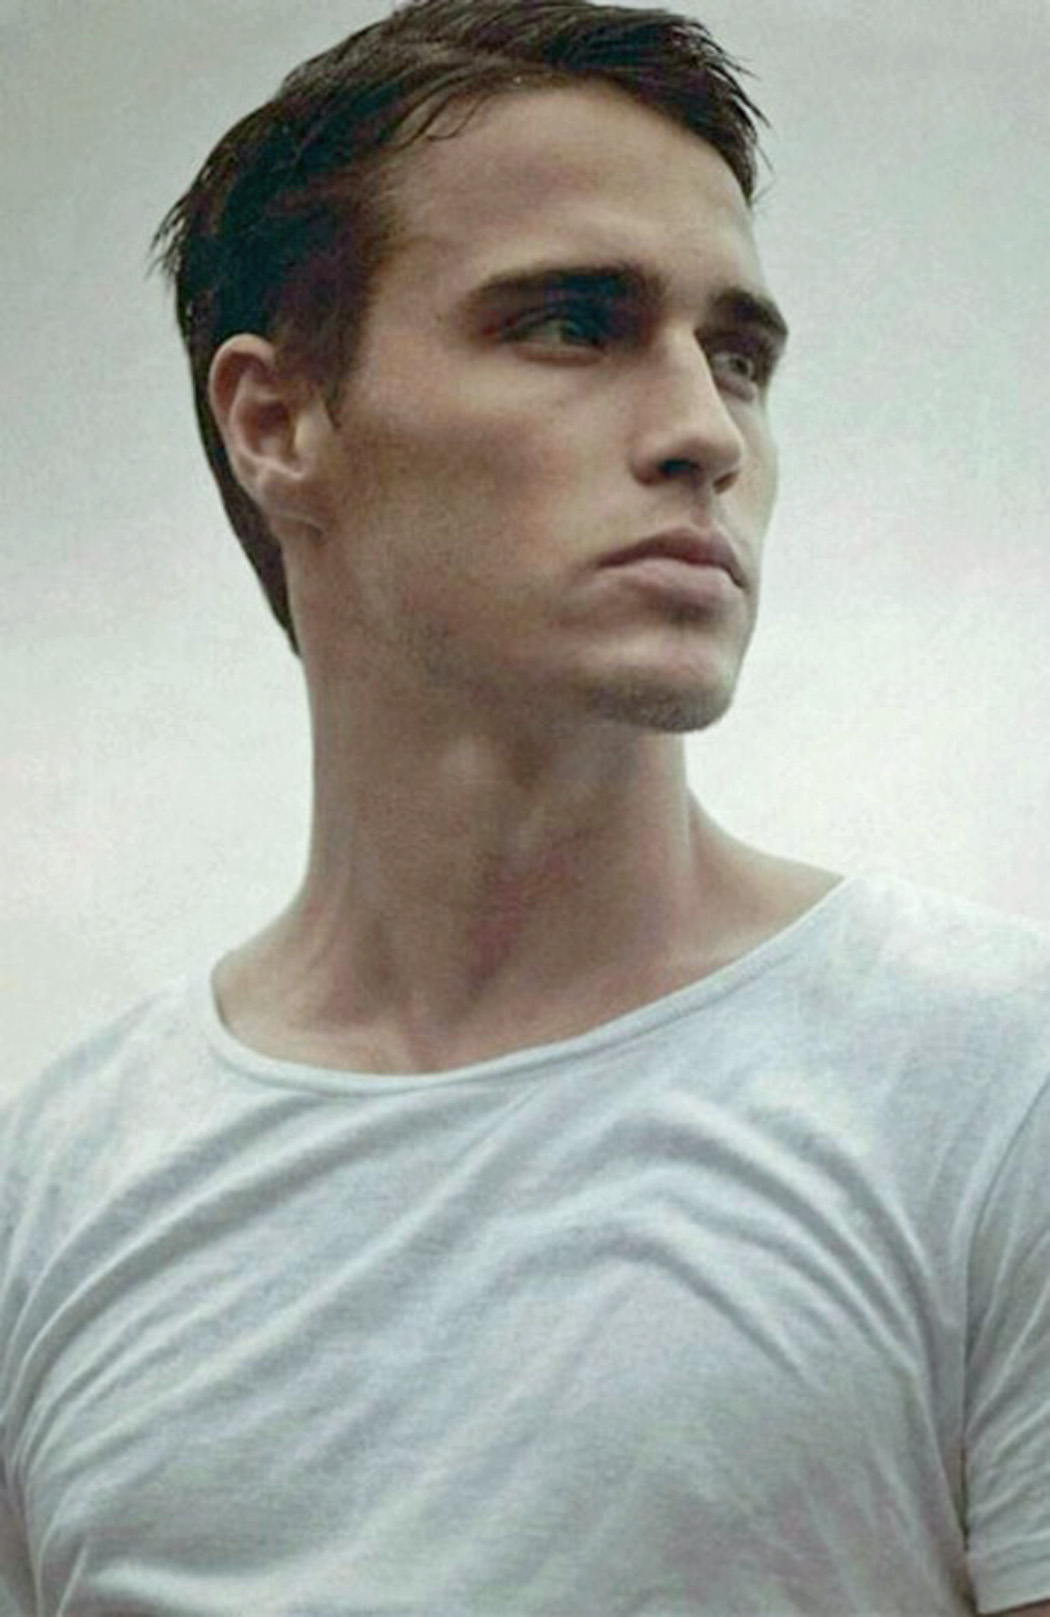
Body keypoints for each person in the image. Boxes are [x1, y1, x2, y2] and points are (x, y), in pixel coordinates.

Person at [1, 0, 1048, 1611]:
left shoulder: (994, 1090)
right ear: (277, 422)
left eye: (738, 357)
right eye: (571, 324)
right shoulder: (54, 1194)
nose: (702, 432)